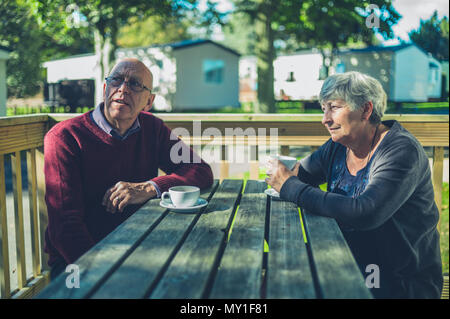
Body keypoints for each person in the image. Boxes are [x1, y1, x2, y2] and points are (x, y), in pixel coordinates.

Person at [266, 71, 442, 299]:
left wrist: (289, 186)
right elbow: (302, 175)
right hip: (349, 266)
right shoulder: (339, 145)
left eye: (334, 107)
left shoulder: (400, 150)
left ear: (366, 110)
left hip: (399, 283)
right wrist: (283, 173)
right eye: (323, 109)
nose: (325, 119)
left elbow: (366, 213)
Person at [44, 58, 213, 279]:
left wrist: (150, 187)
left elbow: (200, 170)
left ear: (148, 101)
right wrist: (109, 275)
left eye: (134, 84)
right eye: (116, 80)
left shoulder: (152, 128)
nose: (122, 88)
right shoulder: (65, 137)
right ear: (105, 89)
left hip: (139, 250)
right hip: (77, 265)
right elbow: (66, 230)